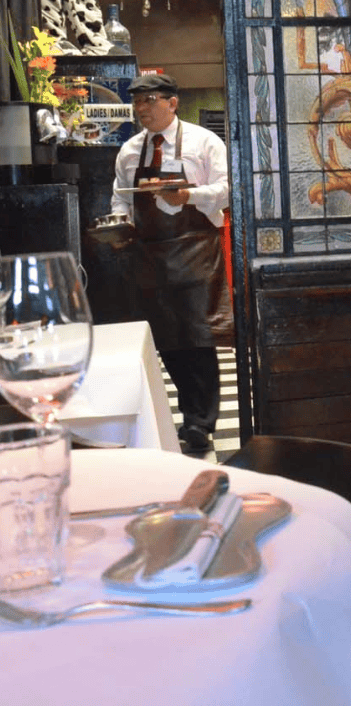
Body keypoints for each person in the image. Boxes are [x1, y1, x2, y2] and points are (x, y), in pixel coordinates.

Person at [111, 73, 233, 452]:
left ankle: (200, 422)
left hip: (196, 249)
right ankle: (188, 412)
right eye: (137, 102)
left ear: (172, 103)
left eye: (149, 100)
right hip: (150, 255)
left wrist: (189, 196)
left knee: (198, 336)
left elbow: (228, 187)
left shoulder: (204, 141)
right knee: (166, 338)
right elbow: (120, 198)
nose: (141, 109)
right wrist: (118, 224)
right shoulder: (130, 150)